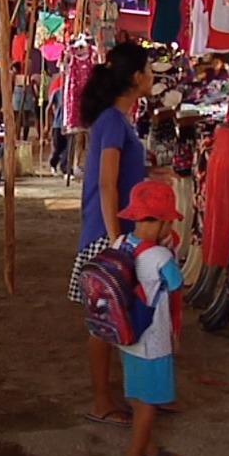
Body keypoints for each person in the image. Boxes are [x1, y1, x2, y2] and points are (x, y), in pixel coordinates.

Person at [68, 41, 154, 428]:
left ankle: (121, 396)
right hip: (108, 233)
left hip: (113, 230)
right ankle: (102, 400)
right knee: (102, 321)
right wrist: (118, 239)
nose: (152, 77)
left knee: (112, 317)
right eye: (149, 70)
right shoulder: (114, 123)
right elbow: (106, 184)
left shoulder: (116, 121)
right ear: (136, 78)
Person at [112, 180, 186, 456]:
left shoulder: (119, 243)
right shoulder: (160, 257)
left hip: (126, 335)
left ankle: (150, 448)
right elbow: (177, 284)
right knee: (149, 404)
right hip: (152, 342)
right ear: (163, 224)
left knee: (137, 396)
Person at [46, 77, 69, 175]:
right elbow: (48, 109)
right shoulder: (57, 93)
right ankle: (53, 164)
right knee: (58, 148)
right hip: (58, 124)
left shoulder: (72, 94)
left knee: (68, 148)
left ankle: (66, 169)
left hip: (68, 124)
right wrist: (47, 125)